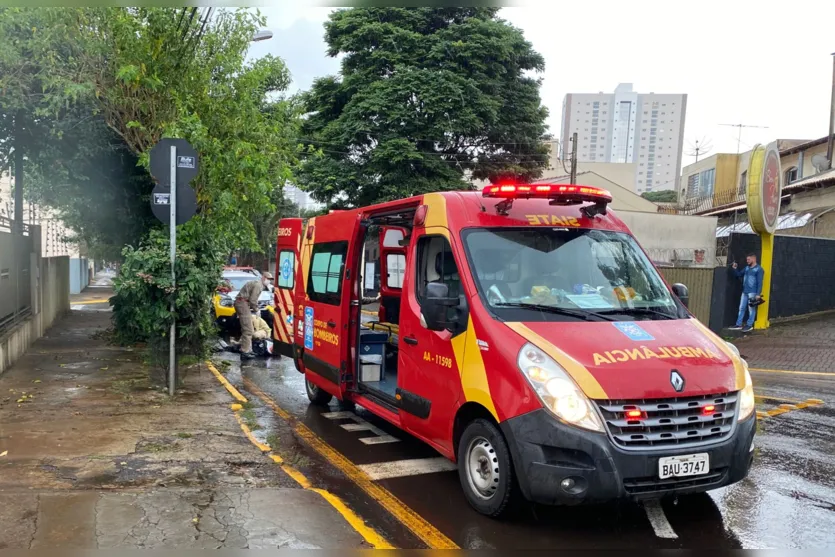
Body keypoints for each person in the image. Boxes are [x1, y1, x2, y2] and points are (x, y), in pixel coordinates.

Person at [235, 271, 273, 360]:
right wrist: (256, 310)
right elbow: (253, 300)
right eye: (268, 279)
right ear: (263, 277)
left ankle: (248, 349)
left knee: (249, 329)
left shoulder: (257, 284)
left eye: (270, 280)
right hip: (242, 304)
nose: (269, 281)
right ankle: (245, 351)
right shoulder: (258, 285)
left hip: (242, 303)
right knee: (248, 330)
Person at [730, 253, 764, 332]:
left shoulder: (759, 269)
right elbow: (739, 274)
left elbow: (760, 282)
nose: (747, 261)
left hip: (752, 292)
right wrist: (735, 269)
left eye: (749, 259)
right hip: (745, 291)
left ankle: (749, 325)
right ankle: (738, 324)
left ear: (754, 259)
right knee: (741, 308)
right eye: (747, 260)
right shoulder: (746, 268)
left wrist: (758, 294)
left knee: (751, 309)